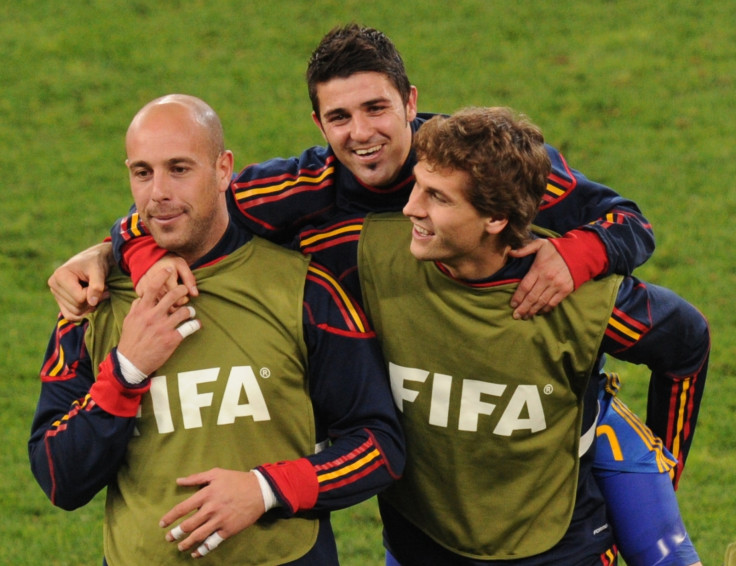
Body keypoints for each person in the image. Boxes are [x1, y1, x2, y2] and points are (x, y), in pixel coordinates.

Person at [46, 24, 704, 560]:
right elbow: (178, 205)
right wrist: (120, 252)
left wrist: (576, 255)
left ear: (411, 102)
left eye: (376, 108)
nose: (360, 132)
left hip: (554, 420)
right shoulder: (299, 191)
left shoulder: (488, 166)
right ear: (317, 122)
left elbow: (631, 223)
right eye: (338, 116)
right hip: (432, 444)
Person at [28, 94, 405, 565]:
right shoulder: (92, 302)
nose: (157, 193)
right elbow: (58, 478)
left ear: (224, 169)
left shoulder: (305, 291)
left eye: (179, 169)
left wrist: (264, 489)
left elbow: (379, 447)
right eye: (142, 172)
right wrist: (126, 372)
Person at [351, 107, 705, 564]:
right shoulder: (372, 260)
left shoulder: (582, 302)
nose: (410, 208)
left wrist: (664, 463)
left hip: (558, 547)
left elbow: (687, 341)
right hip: (419, 544)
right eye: (417, 184)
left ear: (495, 218)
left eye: (437, 197)